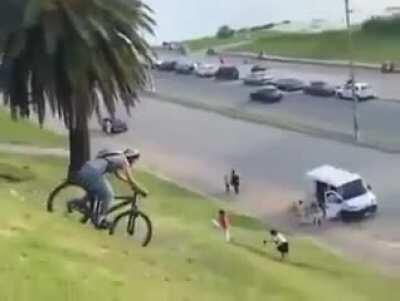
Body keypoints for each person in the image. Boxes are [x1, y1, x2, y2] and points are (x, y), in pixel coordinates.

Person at [71, 148, 148, 229]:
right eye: (134, 160)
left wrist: (132, 185)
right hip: (93, 174)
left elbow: (120, 176)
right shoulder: (123, 161)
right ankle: (99, 219)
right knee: (108, 195)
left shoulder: (117, 157)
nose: (134, 162)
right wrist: (141, 189)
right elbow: (130, 178)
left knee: (96, 191)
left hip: (86, 169)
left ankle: (81, 203)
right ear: (131, 158)